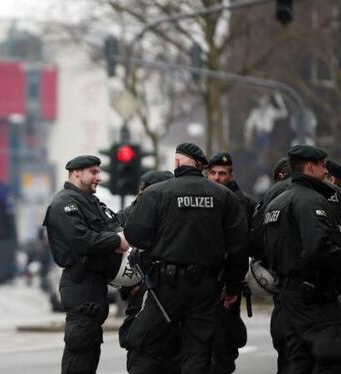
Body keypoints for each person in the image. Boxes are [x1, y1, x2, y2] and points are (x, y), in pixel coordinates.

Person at [122, 143, 247, 374]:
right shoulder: (224, 196)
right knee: (197, 349)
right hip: (207, 286)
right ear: (202, 166)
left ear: (177, 162)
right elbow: (238, 247)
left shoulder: (157, 193)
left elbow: (134, 234)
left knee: (145, 340)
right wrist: (232, 286)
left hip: (165, 285)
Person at [42, 155, 129, 374]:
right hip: (80, 284)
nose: (98, 177)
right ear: (76, 173)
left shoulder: (90, 202)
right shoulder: (65, 203)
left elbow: (112, 225)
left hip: (94, 285)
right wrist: (116, 241)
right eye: (93, 172)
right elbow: (81, 240)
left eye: (99, 172)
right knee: (79, 352)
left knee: (89, 350)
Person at [263, 144, 341, 374]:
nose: (326, 171)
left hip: (288, 295)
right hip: (315, 296)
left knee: (299, 360)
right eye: (322, 166)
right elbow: (318, 248)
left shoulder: (275, 202)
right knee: (330, 357)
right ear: (310, 167)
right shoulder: (311, 201)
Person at [115, 170, 178, 374]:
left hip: (172, 292)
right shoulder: (128, 215)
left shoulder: (174, 214)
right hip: (143, 292)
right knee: (142, 349)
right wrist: (129, 285)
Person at [205, 152, 254, 374]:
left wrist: (232, 285)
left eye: (221, 173)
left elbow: (242, 248)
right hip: (203, 282)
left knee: (223, 345)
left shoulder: (242, 203)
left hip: (226, 283)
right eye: (212, 173)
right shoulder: (203, 199)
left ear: (231, 175)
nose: (216, 178)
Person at [250, 157, 292, 374]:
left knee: (287, 347)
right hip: (326, 289)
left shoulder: (273, 195)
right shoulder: (328, 190)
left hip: (286, 284)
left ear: (280, 177)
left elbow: (256, 237)